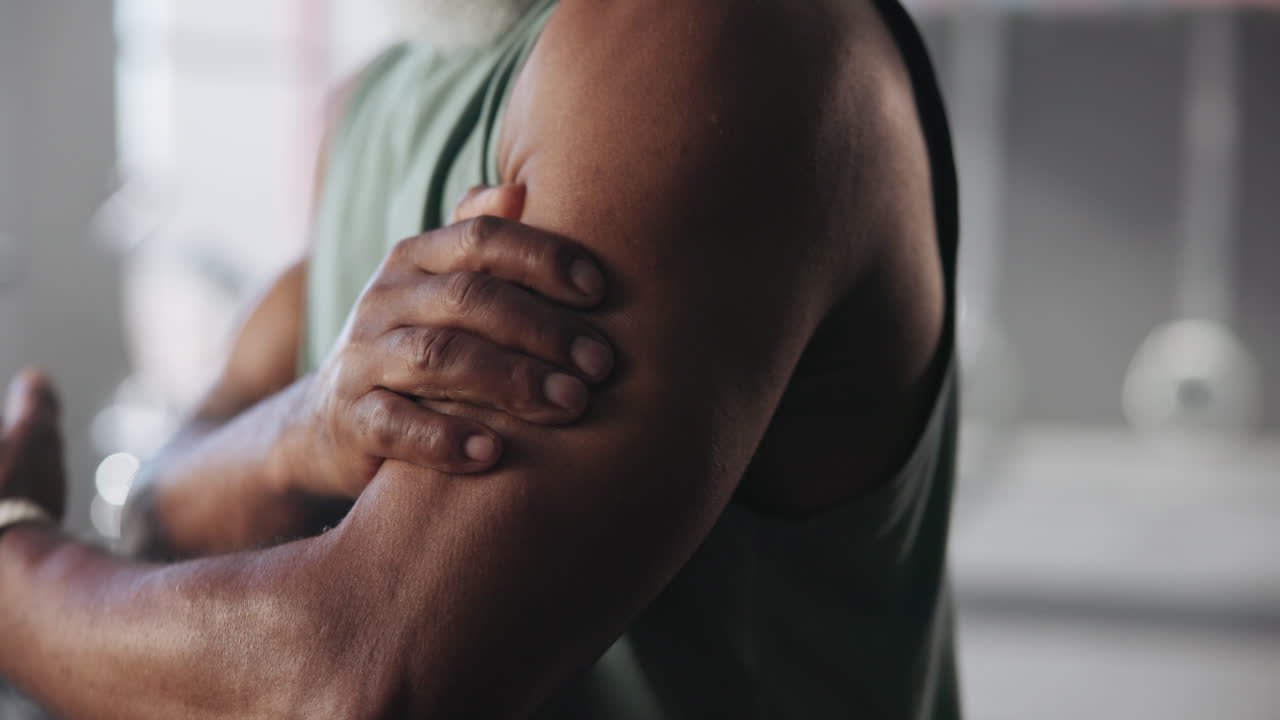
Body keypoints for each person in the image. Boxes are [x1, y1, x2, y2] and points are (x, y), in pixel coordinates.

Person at [0, 0, 959, 716]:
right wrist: (296, 430)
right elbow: (168, 507)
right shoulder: (378, 99)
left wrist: (17, 576)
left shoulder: (708, 37)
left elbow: (359, 680)